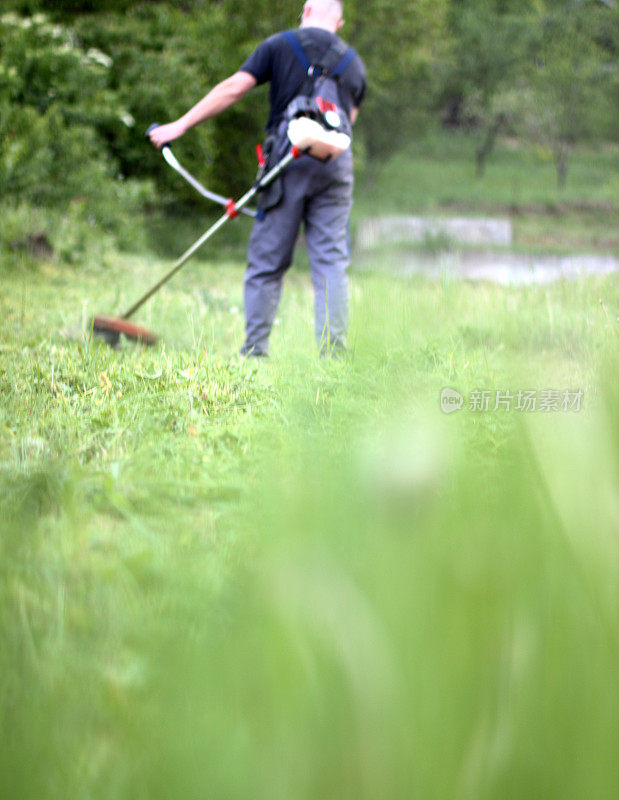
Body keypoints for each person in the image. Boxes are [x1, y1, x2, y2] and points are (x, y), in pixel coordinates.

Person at [150, 0, 366, 357]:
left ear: (306, 10)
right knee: (330, 262)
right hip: (335, 167)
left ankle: (254, 352)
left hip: (289, 160)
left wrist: (180, 125)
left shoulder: (281, 44)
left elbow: (234, 89)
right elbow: (349, 123)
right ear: (339, 23)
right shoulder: (354, 65)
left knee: (267, 261)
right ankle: (333, 355)